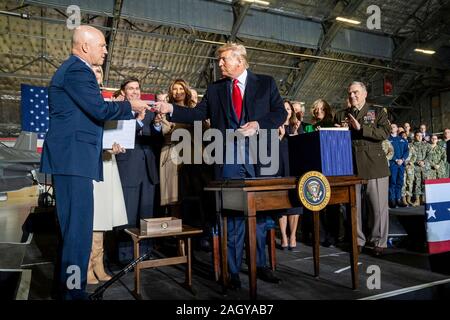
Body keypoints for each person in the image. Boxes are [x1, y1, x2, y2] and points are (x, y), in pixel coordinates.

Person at [155, 42, 286, 288]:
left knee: (258, 216)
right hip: (228, 159)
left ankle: (259, 266)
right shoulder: (215, 89)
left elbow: (279, 114)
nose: (220, 64)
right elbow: (198, 114)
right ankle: (232, 271)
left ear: (240, 60)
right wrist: (171, 108)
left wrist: (258, 125)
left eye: (224, 59)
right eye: (220, 60)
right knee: (232, 215)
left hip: (260, 158)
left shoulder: (266, 83)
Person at [40, 25, 150, 299]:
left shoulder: (72, 70)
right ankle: (74, 295)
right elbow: (99, 109)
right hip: (74, 161)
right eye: (101, 45)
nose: (105, 50)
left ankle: (65, 291)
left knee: (73, 232)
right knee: (78, 233)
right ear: (85, 46)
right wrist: (131, 106)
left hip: (72, 161)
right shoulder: (78, 70)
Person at [334, 81, 390, 257]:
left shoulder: (377, 112)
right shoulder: (341, 114)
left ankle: (379, 241)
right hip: (350, 165)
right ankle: (357, 240)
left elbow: (384, 133)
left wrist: (361, 128)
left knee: (378, 207)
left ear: (364, 94)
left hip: (374, 164)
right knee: (353, 206)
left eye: (356, 93)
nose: (352, 96)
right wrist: (339, 132)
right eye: (350, 93)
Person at [86, 66, 128, 285]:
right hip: (90, 164)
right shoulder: (84, 98)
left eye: (100, 72)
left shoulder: (107, 102)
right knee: (92, 217)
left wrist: (117, 145)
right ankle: (86, 266)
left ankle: (98, 263)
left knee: (103, 216)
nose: (97, 74)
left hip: (107, 162)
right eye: (93, 70)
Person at [115, 77, 162, 263]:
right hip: (128, 169)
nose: (135, 91)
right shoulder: (119, 111)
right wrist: (140, 122)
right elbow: (121, 137)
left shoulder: (149, 112)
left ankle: (145, 253)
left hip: (148, 171)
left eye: (137, 88)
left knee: (147, 214)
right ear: (124, 92)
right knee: (128, 215)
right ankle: (125, 256)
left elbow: (156, 142)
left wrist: (157, 124)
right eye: (130, 88)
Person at [277, 100, 301, 250]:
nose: (286, 111)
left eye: (289, 109)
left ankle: (293, 235)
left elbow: (303, 148)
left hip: (294, 168)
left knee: (295, 203)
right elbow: (269, 150)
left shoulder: (297, 127)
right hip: (280, 168)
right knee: (282, 203)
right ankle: (284, 237)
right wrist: (280, 136)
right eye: (283, 109)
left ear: (292, 112)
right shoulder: (274, 127)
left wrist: (297, 135)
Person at [388, 123, 409, 208]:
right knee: (392, 182)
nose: (392, 128)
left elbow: (406, 151)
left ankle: (399, 199)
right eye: (391, 127)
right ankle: (392, 200)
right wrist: (396, 159)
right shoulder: (388, 140)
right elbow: (387, 151)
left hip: (401, 164)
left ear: (397, 129)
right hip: (393, 164)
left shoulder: (402, 139)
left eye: (394, 127)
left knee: (400, 182)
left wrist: (402, 159)